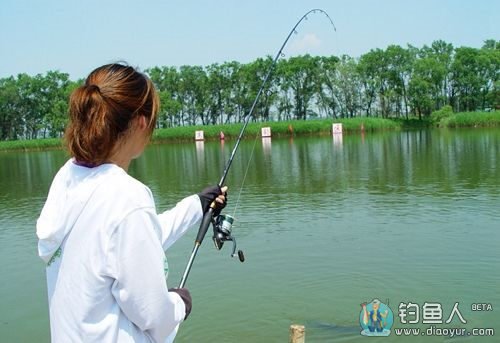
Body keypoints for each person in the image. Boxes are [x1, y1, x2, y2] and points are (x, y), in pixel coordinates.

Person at [36, 63, 227, 342]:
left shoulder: (69, 178)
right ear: (140, 122)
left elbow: (125, 243)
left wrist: (196, 205)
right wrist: (178, 304)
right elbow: (153, 316)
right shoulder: (126, 196)